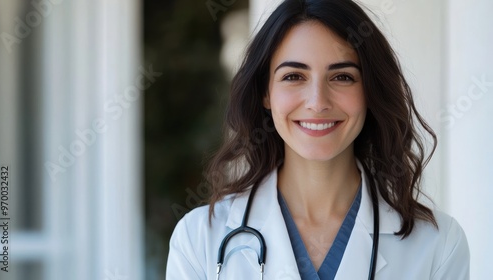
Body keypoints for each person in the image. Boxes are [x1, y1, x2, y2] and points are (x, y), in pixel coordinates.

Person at [166, 0, 470, 279]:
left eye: (342, 77)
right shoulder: (198, 240)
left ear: (369, 92)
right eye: (294, 76)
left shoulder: (438, 246)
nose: (318, 102)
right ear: (265, 93)